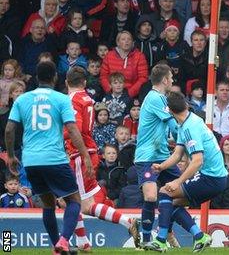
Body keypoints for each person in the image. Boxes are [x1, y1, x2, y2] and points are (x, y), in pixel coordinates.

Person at [4, 62, 93, 254]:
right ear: (55, 77)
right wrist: (85, 155)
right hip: (54, 158)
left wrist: (11, 155)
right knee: (74, 200)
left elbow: (10, 129)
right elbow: (72, 129)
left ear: (36, 78)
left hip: (31, 160)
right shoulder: (61, 99)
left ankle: (58, 246)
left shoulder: (22, 99)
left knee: (48, 204)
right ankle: (63, 241)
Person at [62, 67, 140, 251]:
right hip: (88, 152)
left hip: (79, 154)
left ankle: (126, 223)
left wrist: (63, 135)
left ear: (66, 82)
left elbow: (75, 129)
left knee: (76, 202)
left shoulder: (72, 100)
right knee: (82, 203)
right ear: (85, 83)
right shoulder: (88, 99)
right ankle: (85, 242)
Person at [146, 92, 224, 252]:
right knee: (170, 205)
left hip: (211, 178)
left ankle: (161, 240)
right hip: (213, 177)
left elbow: (197, 161)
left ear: (169, 110)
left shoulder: (190, 128)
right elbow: (177, 154)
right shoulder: (186, 123)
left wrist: (178, 181)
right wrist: (162, 166)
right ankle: (199, 237)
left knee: (165, 192)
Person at [134, 64, 181, 247]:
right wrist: (186, 141)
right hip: (147, 156)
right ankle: (147, 240)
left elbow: (166, 128)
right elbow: (174, 126)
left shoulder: (159, 98)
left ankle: (167, 230)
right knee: (151, 196)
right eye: (171, 77)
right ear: (164, 80)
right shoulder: (156, 98)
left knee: (180, 192)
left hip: (162, 155)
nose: (172, 80)